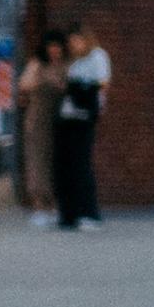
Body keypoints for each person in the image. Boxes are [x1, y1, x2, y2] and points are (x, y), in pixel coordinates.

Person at [53, 21, 110, 229]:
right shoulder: (75, 62)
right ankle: (69, 213)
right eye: (70, 42)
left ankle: (88, 212)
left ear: (85, 39)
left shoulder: (97, 56)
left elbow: (102, 84)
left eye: (76, 41)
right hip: (68, 115)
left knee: (80, 165)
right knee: (64, 165)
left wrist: (80, 89)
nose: (73, 45)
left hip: (84, 116)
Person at [17, 33, 66, 227]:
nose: (54, 50)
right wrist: (42, 83)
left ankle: (55, 205)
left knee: (56, 161)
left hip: (59, 120)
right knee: (36, 162)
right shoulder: (37, 64)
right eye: (51, 46)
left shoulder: (67, 65)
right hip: (37, 121)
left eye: (57, 46)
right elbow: (23, 85)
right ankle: (39, 205)